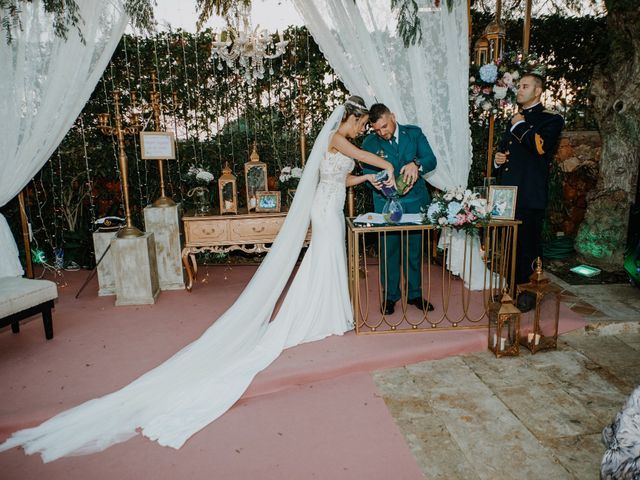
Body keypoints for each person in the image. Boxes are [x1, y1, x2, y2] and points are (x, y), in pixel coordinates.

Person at [0, 96, 394, 463]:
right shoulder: (339, 140)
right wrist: (387, 167)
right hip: (325, 212)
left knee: (327, 260)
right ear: (349, 119)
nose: (361, 129)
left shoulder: (340, 145)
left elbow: (340, 179)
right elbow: (361, 155)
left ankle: (325, 312)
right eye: (360, 123)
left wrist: (366, 181)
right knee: (325, 257)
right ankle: (318, 314)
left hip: (330, 203)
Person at [493, 71, 564, 311]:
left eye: (525, 86)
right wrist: (498, 159)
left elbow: (539, 147)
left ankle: (528, 293)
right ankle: (510, 290)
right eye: (519, 86)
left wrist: (520, 124)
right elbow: (505, 150)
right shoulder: (515, 118)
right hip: (508, 195)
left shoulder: (551, 119)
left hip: (530, 194)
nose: (519, 90)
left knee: (528, 247)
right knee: (510, 246)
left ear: (537, 91)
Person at [361, 103, 437, 315]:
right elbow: (368, 172)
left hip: (414, 201)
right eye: (377, 130)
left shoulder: (413, 134)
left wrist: (416, 164)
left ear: (392, 117)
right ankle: (390, 296)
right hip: (386, 203)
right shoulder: (369, 143)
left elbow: (431, 159)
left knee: (414, 250)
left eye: (384, 126)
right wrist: (382, 183)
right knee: (389, 249)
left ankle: (414, 294)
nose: (382, 133)